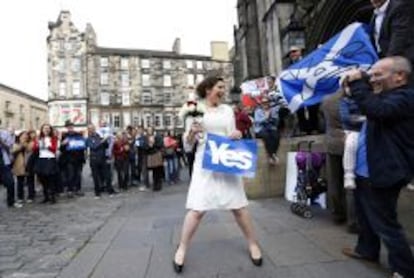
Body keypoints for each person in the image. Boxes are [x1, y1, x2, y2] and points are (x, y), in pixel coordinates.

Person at [173, 76, 262, 273]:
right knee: (197, 210)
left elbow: (232, 133)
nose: (223, 91)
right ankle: (182, 248)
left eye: (224, 88)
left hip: (226, 159)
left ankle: (253, 244)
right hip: (204, 162)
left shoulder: (227, 110)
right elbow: (187, 145)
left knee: (239, 207)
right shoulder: (194, 109)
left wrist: (236, 134)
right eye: (220, 87)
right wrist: (191, 134)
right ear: (208, 89)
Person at [341, 56, 414, 278]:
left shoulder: (405, 97)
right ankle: (367, 250)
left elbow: (378, 110)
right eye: (371, 75)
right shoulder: (383, 97)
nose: (373, 79)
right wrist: (352, 88)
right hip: (366, 169)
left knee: (385, 223)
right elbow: (365, 109)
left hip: (384, 170)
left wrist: (358, 83)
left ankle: (404, 269)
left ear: (400, 76)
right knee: (365, 216)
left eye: (378, 75)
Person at [370, 0, 414, 87]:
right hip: (385, 62)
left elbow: (399, 40)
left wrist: (383, 66)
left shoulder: (400, 7)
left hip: (401, 65)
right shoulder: (375, 13)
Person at [33, 124, 59, 204]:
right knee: (42, 179)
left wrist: (47, 146)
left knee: (50, 179)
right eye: (45, 128)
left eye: (48, 128)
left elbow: (54, 149)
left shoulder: (53, 138)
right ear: (42, 130)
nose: (46, 130)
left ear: (50, 130)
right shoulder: (39, 138)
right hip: (41, 160)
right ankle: (46, 197)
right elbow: (34, 149)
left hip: (50, 159)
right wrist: (37, 144)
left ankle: (52, 197)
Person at [60, 120, 86, 197]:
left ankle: (78, 189)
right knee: (70, 175)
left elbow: (82, 146)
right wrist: (63, 144)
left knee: (78, 175)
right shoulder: (64, 136)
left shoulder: (79, 134)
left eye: (71, 126)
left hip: (79, 159)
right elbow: (61, 149)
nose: (70, 128)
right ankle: (70, 190)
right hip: (69, 159)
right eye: (68, 127)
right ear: (66, 128)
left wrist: (82, 145)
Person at [87, 124, 110, 198]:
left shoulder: (99, 136)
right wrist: (102, 141)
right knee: (95, 177)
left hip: (102, 159)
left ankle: (110, 190)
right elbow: (94, 147)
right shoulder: (88, 138)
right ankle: (97, 193)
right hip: (94, 160)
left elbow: (106, 146)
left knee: (107, 175)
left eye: (92, 128)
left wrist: (105, 140)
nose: (91, 130)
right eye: (90, 129)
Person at [254, 96, 280, 165]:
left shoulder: (272, 110)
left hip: (271, 127)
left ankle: (273, 153)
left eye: (266, 102)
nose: (265, 104)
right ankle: (271, 155)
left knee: (276, 136)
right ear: (261, 103)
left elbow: (276, 121)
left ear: (269, 103)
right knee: (267, 137)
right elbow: (257, 121)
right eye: (263, 103)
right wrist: (265, 117)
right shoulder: (258, 111)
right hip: (261, 128)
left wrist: (273, 118)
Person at [0, 126, 21, 208]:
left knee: (10, 183)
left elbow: (9, 147)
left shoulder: (5, 134)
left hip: (4, 161)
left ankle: (11, 202)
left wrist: (1, 141)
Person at [12, 131, 31, 204]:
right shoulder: (16, 144)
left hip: (27, 165)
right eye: (23, 136)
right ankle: (20, 197)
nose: (25, 137)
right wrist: (21, 145)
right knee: (20, 182)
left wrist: (25, 145)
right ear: (19, 137)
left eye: (26, 136)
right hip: (19, 165)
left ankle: (29, 196)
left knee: (28, 181)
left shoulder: (27, 144)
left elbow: (29, 150)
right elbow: (13, 151)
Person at [144, 127, 164, 191]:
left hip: (156, 154)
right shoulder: (146, 138)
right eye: (148, 130)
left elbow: (160, 144)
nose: (149, 131)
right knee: (153, 171)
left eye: (150, 130)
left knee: (158, 170)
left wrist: (154, 143)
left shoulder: (157, 136)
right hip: (150, 155)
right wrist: (149, 145)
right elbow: (145, 147)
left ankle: (159, 185)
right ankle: (155, 185)